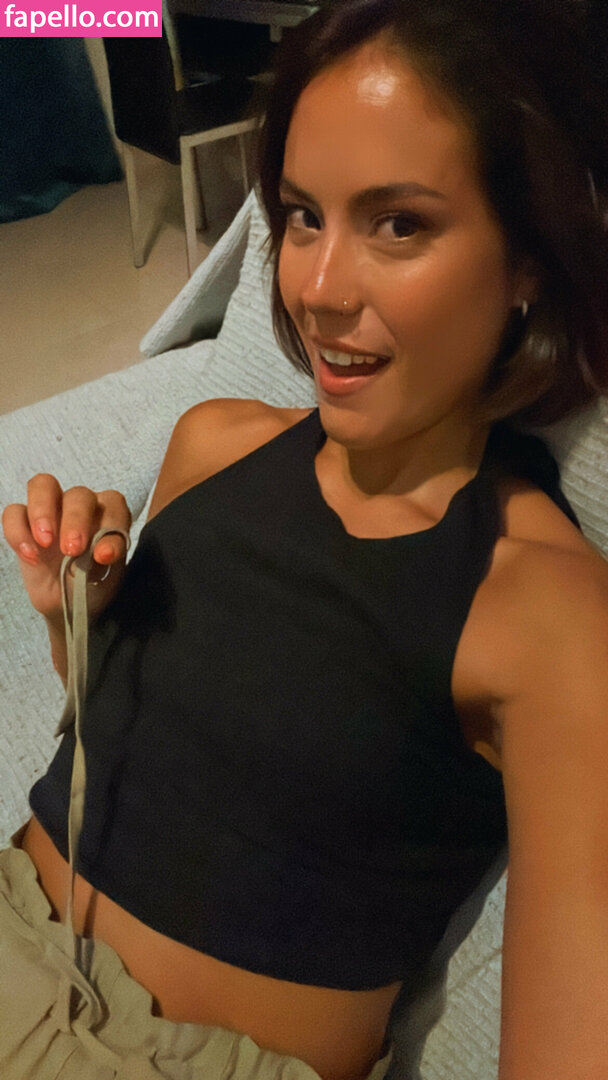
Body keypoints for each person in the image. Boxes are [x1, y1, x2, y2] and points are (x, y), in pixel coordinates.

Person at [1, 1, 608, 1078]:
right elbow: (159, 750)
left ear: (528, 258)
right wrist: (77, 620)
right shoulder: (212, 441)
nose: (316, 290)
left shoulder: (543, 610)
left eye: (398, 223)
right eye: (301, 217)